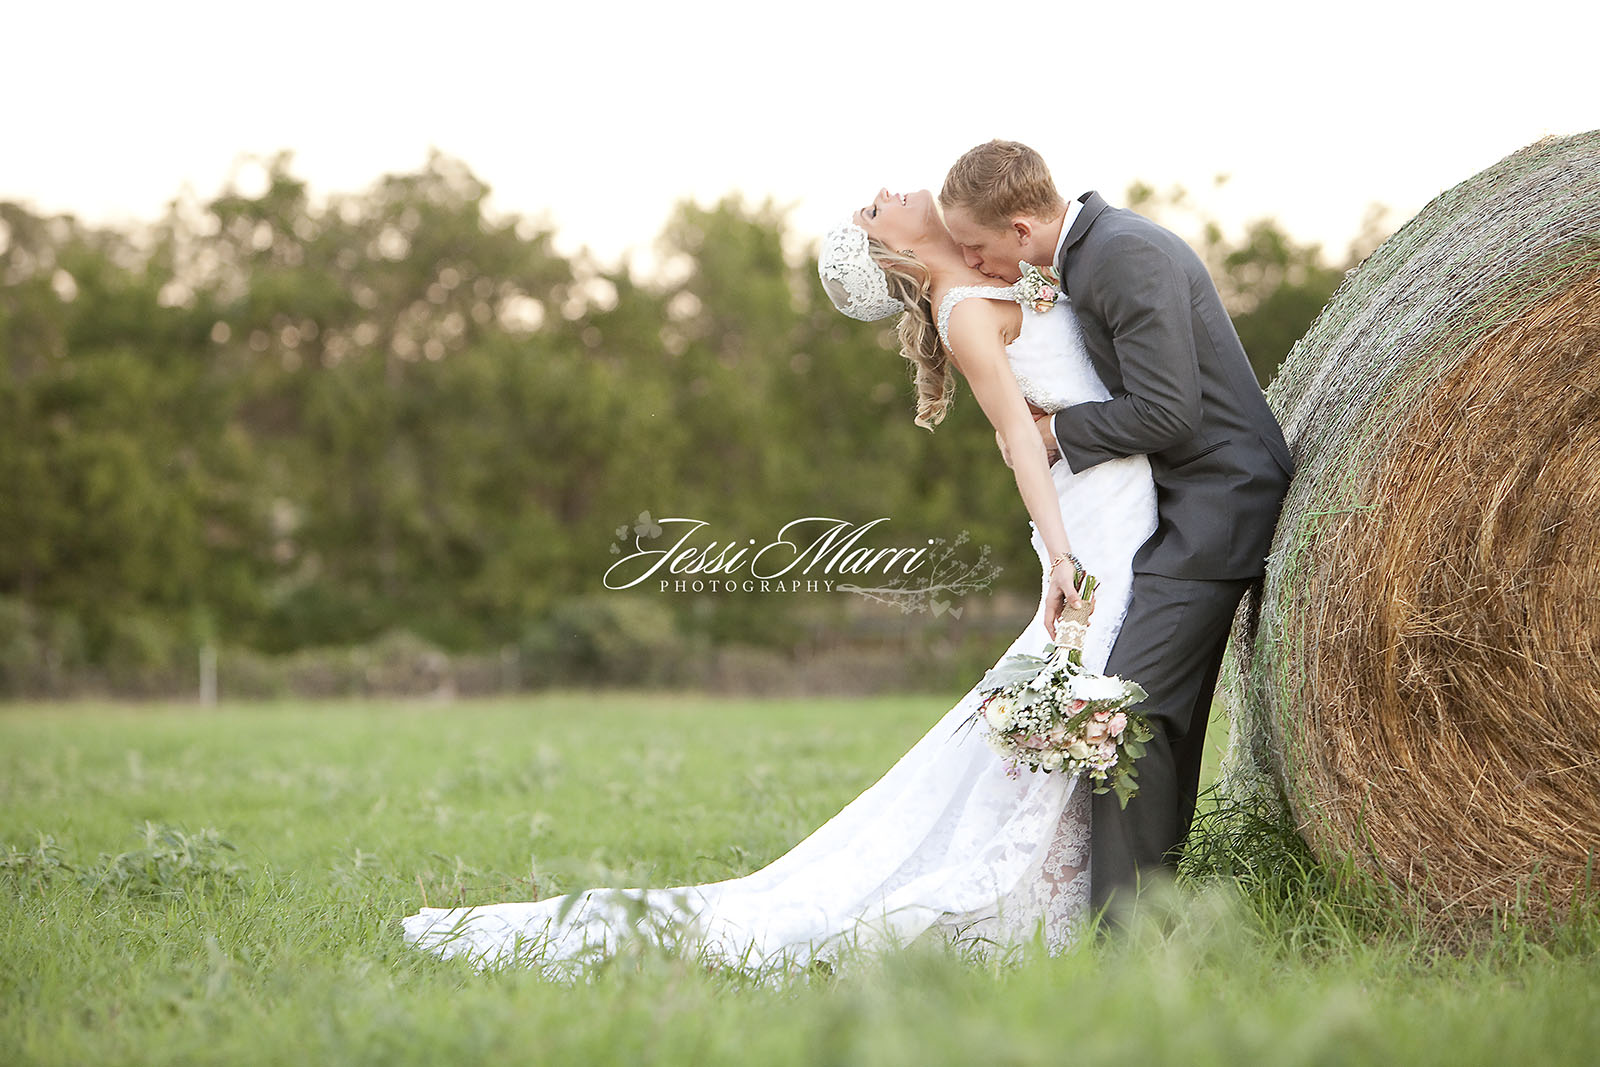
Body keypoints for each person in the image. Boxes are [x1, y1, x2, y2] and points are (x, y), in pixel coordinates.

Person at [400, 186, 1158, 979]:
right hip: (1090, 517)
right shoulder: (964, 310)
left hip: (1110, 492)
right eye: (871, 214)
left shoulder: (996, 269)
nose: (880, 196)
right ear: (892, 255)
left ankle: (1078, 878)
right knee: (1079, 676)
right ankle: (1053, 890)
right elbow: (1017, 440)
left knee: (1078, 685)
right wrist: (1063, 555)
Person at [938, 140, 1294, 916]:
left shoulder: (1124, 255)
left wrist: (1051, 437)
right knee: (1155, 711)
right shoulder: (1092, 255)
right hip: (1184, 504)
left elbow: (1169, 411)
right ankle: (1148, 914)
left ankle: (1125, 931)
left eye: (974, 245)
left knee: (1130, 707)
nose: (969, 259)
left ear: (1023, 228)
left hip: (1217, 504)